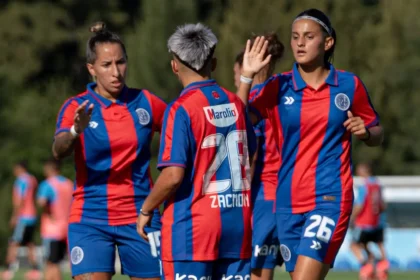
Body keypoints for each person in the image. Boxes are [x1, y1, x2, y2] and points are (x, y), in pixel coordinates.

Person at [237, 8, 384, 280]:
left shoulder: (348, 85)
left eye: (308, 36)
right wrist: (246, 78)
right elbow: (237, 123)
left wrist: (366, 133)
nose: (300, 43)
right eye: (295, 37)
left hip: (329, 198)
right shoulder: (277, 87)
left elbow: (377, 132)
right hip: (287, 202)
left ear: (327, 43)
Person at [137, 23, 257, 280]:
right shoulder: (236, 103)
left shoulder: (181, 109)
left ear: (174, 65)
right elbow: (251, 155)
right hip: (237, 226)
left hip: (193, 231)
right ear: (213, 64)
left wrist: (146, 209)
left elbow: (172, 176)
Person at [52, 22, 166, 280]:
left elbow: (181, 129)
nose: (116, 72)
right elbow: (58, 150)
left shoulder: (146, 102)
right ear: (91, 69)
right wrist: (74, 131)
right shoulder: (76, 107)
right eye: (106, 65)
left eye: (121, 62)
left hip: (141, 215)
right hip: (90, 217)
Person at [234, 33, 285, 280]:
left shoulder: (257, 99)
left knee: (255, 272)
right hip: (287, 192)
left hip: (264, 193)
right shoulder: (285, 90)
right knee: (267, 268)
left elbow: (249, 151)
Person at [2, 161, 40, 280]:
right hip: (32, 216)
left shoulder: (21, 180)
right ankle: (35, 271)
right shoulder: (32, 179)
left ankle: (8, 270)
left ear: (19, 169)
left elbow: (20, 199)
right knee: (30, 244)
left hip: (23, 217)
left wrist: (14, 216)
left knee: (13, 243)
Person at [36, 158, 73, 280]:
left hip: (52, 229)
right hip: (67, 228)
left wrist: (48, 213)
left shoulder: (47, 184)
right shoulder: (69, 183)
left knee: (51, 263)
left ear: (50, 168)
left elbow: (42, 202)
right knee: (56, 262)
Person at [351, 162, 388, 280]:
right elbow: (383, 206)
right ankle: (381, 266)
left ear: (363, 171)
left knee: (353, 245)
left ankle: (366, 267)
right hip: (377, 223)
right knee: (376, 245)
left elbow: (359, 205)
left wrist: (351, 218)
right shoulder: (378, 185)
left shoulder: (365, 187)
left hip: (363, 223)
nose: (357, 172)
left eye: (358, 170)